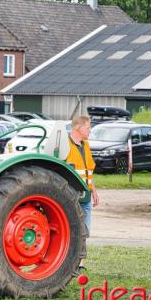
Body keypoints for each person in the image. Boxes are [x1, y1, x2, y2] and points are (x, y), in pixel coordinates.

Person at [66, 115, 99, 271]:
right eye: (88, 127)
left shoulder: (85, 145)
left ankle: (80, 264)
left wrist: (94, 191)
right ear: (78, 128)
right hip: (72, 195)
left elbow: (88, 170)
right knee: (73, 230)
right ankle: (72, 264)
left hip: (85, 195)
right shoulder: (65, 145)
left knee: (84, 231)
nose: (90, 130)